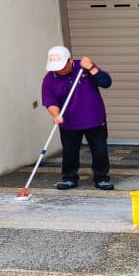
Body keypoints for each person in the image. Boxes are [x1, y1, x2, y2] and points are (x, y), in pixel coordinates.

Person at [42, 46, 114, 190]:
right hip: (69, 122)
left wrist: (92, 68)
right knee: (69, 153)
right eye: (56, 68)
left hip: (94, 119)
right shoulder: (50, 78)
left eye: (62, 67)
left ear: (70, 60)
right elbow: (50, 101)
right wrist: (56, 115)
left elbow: (106, 83)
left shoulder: (84, 68)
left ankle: (102, 178)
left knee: (100, 151)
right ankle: (69, 178)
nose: (59, 70)